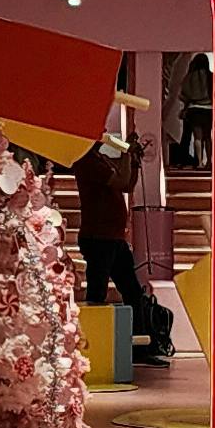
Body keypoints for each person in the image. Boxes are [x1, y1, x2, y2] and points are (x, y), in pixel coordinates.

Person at [61, 120, 173, 365]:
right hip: (99, 238)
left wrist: (132, 160)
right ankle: (94, 349)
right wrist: (126, 152)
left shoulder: (101, 160)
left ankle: (140, 349)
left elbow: (128, 183)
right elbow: (121, 182)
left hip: (113, 237)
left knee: (132, 291)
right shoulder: (87, 163)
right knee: (97, 294)